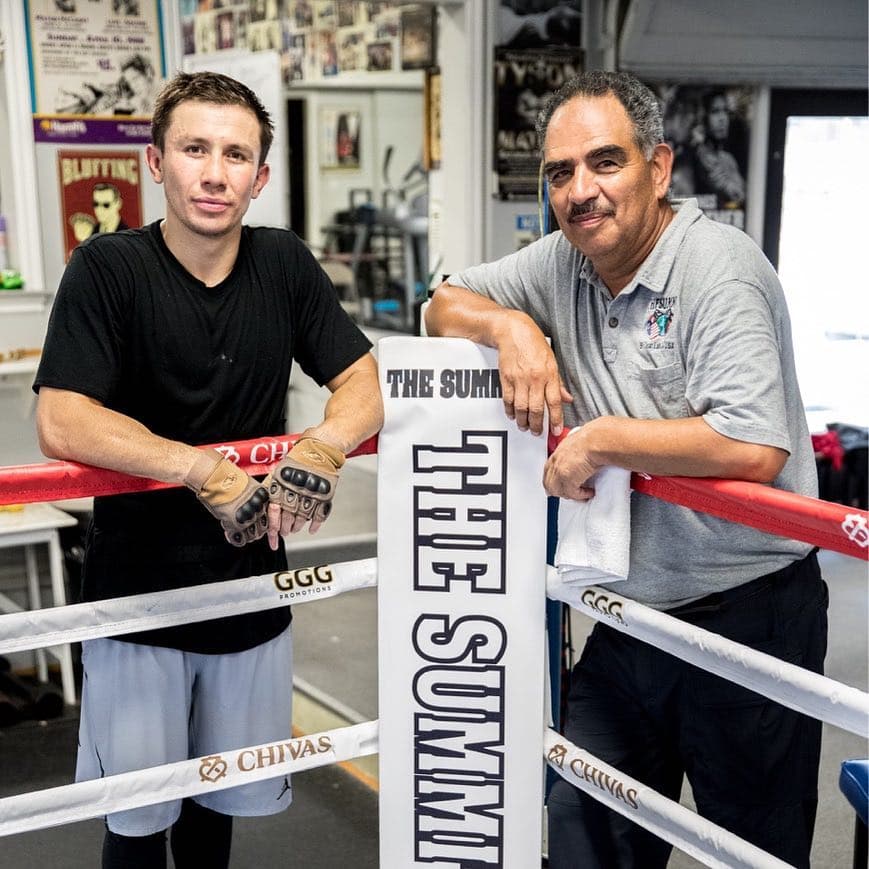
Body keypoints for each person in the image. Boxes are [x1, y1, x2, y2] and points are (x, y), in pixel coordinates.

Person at [425, 70, 826, 869]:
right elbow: (441, 303)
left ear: (658, 166)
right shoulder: (561, 262)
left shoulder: (718, 270)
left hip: (744, 614)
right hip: (626, 615)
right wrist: (512, 330)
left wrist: (601, 437)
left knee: (747, 853)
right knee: (584, 836)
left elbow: (752, 443)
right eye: (560, 172)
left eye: (604, 162)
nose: (581, 191)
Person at [34, 71, 382, 869]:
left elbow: (364, 382)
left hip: (249, 592)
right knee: (135, 819)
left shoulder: (282, 263)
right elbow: (62, 417)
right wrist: (199, 469)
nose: (215, 172)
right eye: (195, 149)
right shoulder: (109, 268)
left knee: (216, 806)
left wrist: (323, 445)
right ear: (156, 162)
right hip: (137, 598)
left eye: (236, 154)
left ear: (260, 177)